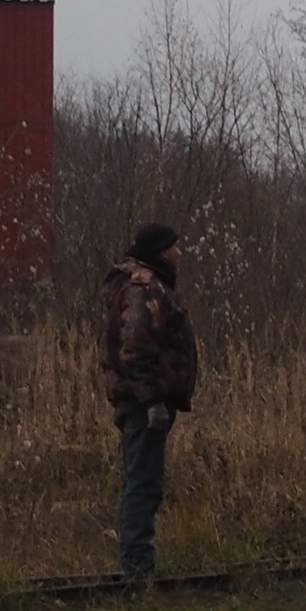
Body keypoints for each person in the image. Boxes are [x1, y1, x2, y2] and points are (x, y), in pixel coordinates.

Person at [97, 223, 199, 580]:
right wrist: (153, 399)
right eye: (174, 246)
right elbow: (136, 347)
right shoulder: (144, 287)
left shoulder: (142, 284)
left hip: (141, 400)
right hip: (144, 404)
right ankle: (138, 569)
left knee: (139, 481)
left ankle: (137, 565)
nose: (179, 253)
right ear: (160, 251)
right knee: (143, 483)